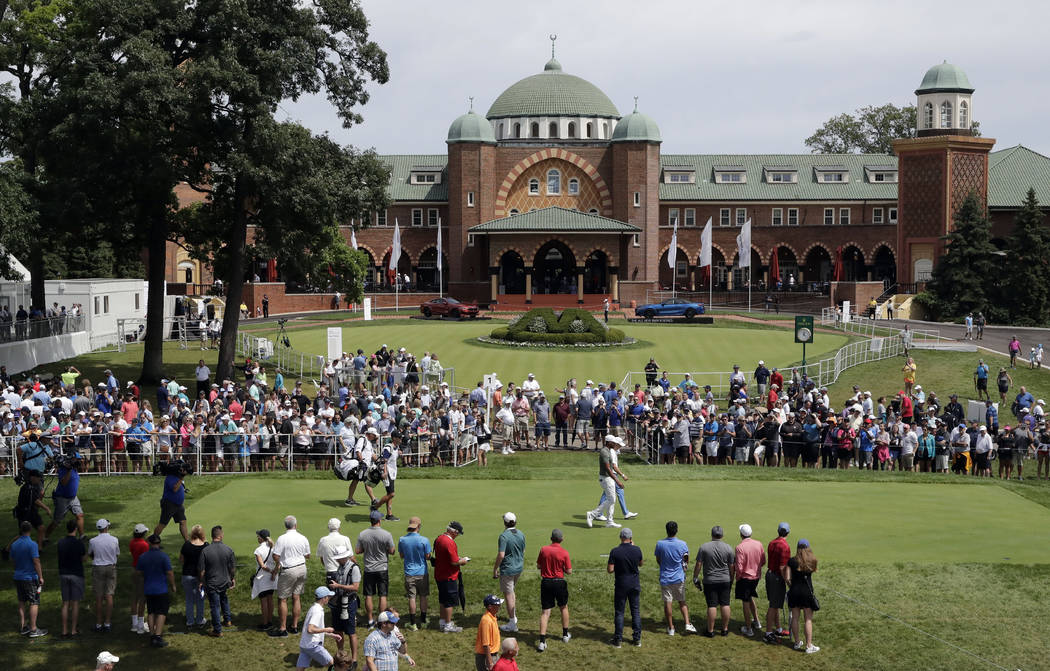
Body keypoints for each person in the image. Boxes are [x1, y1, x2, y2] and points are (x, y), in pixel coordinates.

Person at [271, 515, 312, 637]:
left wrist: (280, 561)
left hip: (289, 570)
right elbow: (308, 555)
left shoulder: (282, 538)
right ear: (296, 525)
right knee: (296, 597)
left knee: (283, 599)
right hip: (302, 568)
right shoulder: (302, 537)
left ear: (285, 525)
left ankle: (283, 629)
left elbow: (275, 556)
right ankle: (294, 627)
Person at [356, 510, 396, 627]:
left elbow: (358, 550)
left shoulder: (363, 534)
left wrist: (367, 549)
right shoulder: (386, 534)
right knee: (382, 595)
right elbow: (392, 551)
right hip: (382, 568)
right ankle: (381, 620)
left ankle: (370, 620)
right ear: (379, 521)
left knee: (369, 595)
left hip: (369, 569)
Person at [653, 520, 694, 636]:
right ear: (676, 530)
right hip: (679, 577)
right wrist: (683, 568)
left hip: (665, 578)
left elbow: (658, 559)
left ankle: (671, 628)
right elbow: (686, 560)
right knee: (682, 601)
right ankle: (687, 623)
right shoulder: (682, 544)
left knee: (668, 602)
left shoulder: (660, 544)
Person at [605, 526, 643, 648]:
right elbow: (640, 563)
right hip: (634, 584)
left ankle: (618, 640)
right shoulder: (637, 549)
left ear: (621, 537)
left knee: (619, 612)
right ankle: (637, 639)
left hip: (621, 584)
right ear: (631, 538)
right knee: (635, 612)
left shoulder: (615, 551)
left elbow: (610, 570)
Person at [694, 525, 735, 637]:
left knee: (712, 605)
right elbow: (732, 566)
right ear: (722, 535)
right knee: (725, 604)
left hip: (710, 580)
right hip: (725, 580)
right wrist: (731, 578)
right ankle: (725, 629)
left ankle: (710, 631)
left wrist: (695, 577)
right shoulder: (728, 548)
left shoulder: (704, 547)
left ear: (712, 534)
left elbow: (698, 564)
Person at [535, 528, 572, 652]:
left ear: (551, 538)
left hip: (546, 582)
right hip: (559, 582)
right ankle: (565, 635)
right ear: (561, 539)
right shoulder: (564, 552)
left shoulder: (543, 549)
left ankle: (542, 642)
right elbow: (569, 571)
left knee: (545, 612)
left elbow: (539, 565)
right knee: (563, 607)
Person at [137, 534, 176, 647]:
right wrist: (173, 585)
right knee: (162, 612)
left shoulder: (143, 556)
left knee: (151, 612)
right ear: (159, 543)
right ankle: (158, 637)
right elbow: (169, 573)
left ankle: (152, 635)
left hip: (148, 588)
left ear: (149, 543)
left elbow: (139, 573)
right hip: (161, 589)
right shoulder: (163, 556)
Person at [199, 525, 236, 637]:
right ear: (221, 535)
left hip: (212, 582)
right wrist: (232, 578)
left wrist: (202, 582)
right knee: (224, 599)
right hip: (225, 581)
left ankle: (217, 630)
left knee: (215, 606)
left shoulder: (205, 551)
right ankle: (228, 620)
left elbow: (201, 570)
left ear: (212, 536)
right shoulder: (228, 549)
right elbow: (232, 568)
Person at [491, 512, 525, 633]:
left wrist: (495, 569)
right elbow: (523, 550)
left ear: (505, 522)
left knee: (508, 594)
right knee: (511, 592)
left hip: (508, 569)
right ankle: (513, 617)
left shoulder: (503, 536)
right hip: (518, 568)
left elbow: (501, 554)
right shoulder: (521, 534)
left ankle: (512, 624)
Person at [11, 520, 47, 637]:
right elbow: (36, 561)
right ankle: (33, 629)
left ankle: (23, 627)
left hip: (18, 576)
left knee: (21, 601)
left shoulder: (14, 544)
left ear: (21, 530)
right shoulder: (32, 545)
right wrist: (41, 577)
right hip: (30, 578)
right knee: (34, 601)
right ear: (30, 530)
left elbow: (13, 560)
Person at [327, 545, 361, 664]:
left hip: (349, 602)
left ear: (344, 557)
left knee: (351, 632)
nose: (337, 560)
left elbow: (355, 587)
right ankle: (341, 656)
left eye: (338, 558)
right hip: (338, 602)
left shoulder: (354, 568)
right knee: (337, 630)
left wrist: (338, 586)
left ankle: (354, 659)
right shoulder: (340, 567)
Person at [434, 520, 469, 633]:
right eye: (458, 533)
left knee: (443, 599)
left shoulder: (439, 538)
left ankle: (442, 622)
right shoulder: (449, 542)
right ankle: (448, 625)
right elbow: (454, 562)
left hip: (439, 574)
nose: (458, 535)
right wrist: (462, 561)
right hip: (449, 575)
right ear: (454, 532)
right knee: (449, 601)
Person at [787, 539, 820, 654]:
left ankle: (797, 642)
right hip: (807, 592)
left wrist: (792, 586)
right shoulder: (812, 560)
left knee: (795, 618)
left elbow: (787, 578)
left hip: (794, 591)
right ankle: (809, 645)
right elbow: (813, 570)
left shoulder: (791, 561)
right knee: (808, 619)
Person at [397, 516, 431, 631]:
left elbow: (402, 555)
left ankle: (413, 624)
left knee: (412, 597)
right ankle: (423, 620)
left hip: (409, 573)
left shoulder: (402, 539)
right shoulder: (424, 540)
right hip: (422, 572)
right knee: (423, 596)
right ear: (419, 526)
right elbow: (427, 557)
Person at [297, 586, 342, 671]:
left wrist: (331, 634)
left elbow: (316, 628)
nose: (329, 598)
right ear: (324, 598)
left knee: (300, 669)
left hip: (305, 645)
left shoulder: (313, 608)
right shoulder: (317, 611)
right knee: (333, 665)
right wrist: (326, 629)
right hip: (313, 645)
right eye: (328, 597)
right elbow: (310, 629)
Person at [585, 435, 625, 529]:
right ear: (609, 442)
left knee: (611, 500)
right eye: (613, 442)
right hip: (606, 478)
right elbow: (608, 468)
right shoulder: (604, 452)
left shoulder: (608, 451)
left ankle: (609, 521)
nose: (615, 444)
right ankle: (592, 514)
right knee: (611, 499)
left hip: (608, 478)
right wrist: (617, 480)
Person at [734, 524, 766, 637]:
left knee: (745, 602)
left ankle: (748, 629)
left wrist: (737, 578)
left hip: (745, 578)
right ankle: (756, 622)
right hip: (755, 578)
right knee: (750, 597)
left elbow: (739, 567)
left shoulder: (740, 547)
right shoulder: (759, 544)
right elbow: (763, 561)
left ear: (741, 534)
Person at [45, 451, 84, 541]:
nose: (79, 461)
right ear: (72, 459)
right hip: (62, 498)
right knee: (57, 521)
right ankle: (45, 537)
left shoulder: (74, 468)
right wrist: (69, 469)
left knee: (80, 515)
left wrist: (72, 467)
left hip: (73, 497)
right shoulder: (63, 469)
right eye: (77, 459)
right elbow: (64, 482)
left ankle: (82, 536)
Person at [57, 519, 86, 637]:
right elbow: (84, 559)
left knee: (65, 603)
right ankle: (73, 630)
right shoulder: (79, 543)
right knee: (75, 603)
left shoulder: (60, 542)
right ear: (75, 529)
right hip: (76, 574)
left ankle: (64, 630)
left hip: (63, 574)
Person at [89, 518, 119, 633]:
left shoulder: (93, 541)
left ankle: (98, 623)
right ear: (107, 527)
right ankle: (107, 623)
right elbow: (117, 553)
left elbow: (91, 554)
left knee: (99, 597)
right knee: (109, 595)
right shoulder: (114, 539)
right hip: (111, 567)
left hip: (98, 568)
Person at [763, 522, 792, 643]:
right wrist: (788, 582)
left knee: (775, 605)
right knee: (773, 606)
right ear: (788, 532)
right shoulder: (785, 546)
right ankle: (768, 633)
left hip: (769, 575)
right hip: (776, 578)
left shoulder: (772, 542)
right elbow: (782, 568)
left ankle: (778, 628)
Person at [179, 525, 208, 629]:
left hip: (187, 575)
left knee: (189, 599)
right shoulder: (205, 546)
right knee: (200, 598)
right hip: (200, 576)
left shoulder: (186, 545)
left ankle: (190, 621)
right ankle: (200, 620)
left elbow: (181, 560)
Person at [154, 462, 189, 541]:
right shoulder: (170, 477)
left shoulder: (176, 477)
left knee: (183, 521)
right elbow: (175, 489)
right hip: (169, 504)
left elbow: (179, 488)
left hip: (178, 505)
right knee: (162, 524)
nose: (181, 470)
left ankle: (187, 542)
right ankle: (152, 540)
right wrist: (181, 478)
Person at [251, 529, 278, 631]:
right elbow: (279, 563)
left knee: (264, 601)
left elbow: (262, 566)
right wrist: (274, 573)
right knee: (270, 599)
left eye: (258, 536)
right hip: (272, 578)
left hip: (262, 578)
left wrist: (271, 572)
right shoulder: (274, 548)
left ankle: (265, 623)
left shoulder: (258, 550)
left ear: (260, 538)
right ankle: (270, 621)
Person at [128, 524, 150, 634]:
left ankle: (134, 624)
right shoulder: (145, 545)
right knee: (142, 599)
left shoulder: (132, 542)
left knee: (134, 597)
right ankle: (141, 625)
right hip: (142, 572)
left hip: (134, 569)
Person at [475, 594, 503, 671]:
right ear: (490, 606)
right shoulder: (486, 621)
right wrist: (490, 662)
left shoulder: (492, 616)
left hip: (493, 655)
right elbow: (485, 644)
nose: (499, 606)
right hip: (487, 657)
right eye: (497, 604)